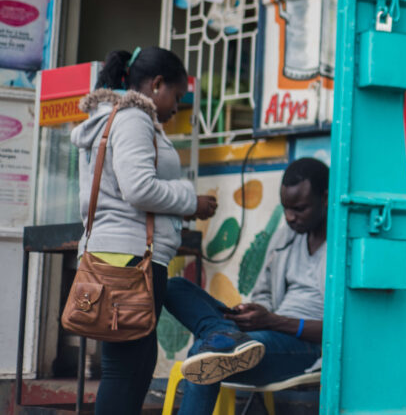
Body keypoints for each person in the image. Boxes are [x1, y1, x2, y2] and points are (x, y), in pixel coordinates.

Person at [71, 47, 218, 414]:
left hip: (117, 255)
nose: (176, 108)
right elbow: (137, 188)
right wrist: (190, 201)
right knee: (127, 371)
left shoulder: (109, 118)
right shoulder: (134, 118)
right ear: (156, 85)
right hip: (129, 259)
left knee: (130, 367)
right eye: (177, 96)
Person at [166, 157, 329, 415]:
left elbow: (344, 332)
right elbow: (263, 292)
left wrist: (272, 321)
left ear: (326, 198)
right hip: (265, 333)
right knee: (174, 287)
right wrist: (254, 313)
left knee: (206, 352)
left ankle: (223, 338)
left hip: (306, 348)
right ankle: (226, 334)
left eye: (299, 208)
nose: (290, 217)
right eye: (286, 208)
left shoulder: (342, 249)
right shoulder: (287, 236)